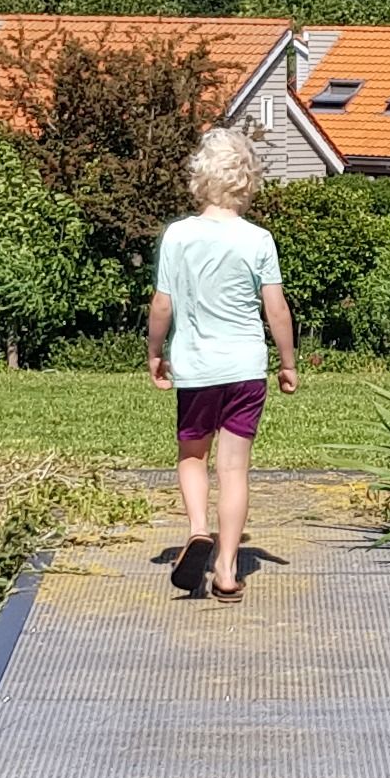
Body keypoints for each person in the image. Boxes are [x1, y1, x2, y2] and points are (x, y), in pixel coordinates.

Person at [149, 129, 301, 601]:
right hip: (245, 368)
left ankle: (198, 528)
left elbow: (161, 305)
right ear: (248, 182)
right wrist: (288, 362)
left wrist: (155, 353)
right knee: (234, 470)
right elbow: (276, 308)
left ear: (199, 178)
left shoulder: (179, 236)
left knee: (193, 456)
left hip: (197, 369)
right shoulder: (258, 240)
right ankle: (228, 570)